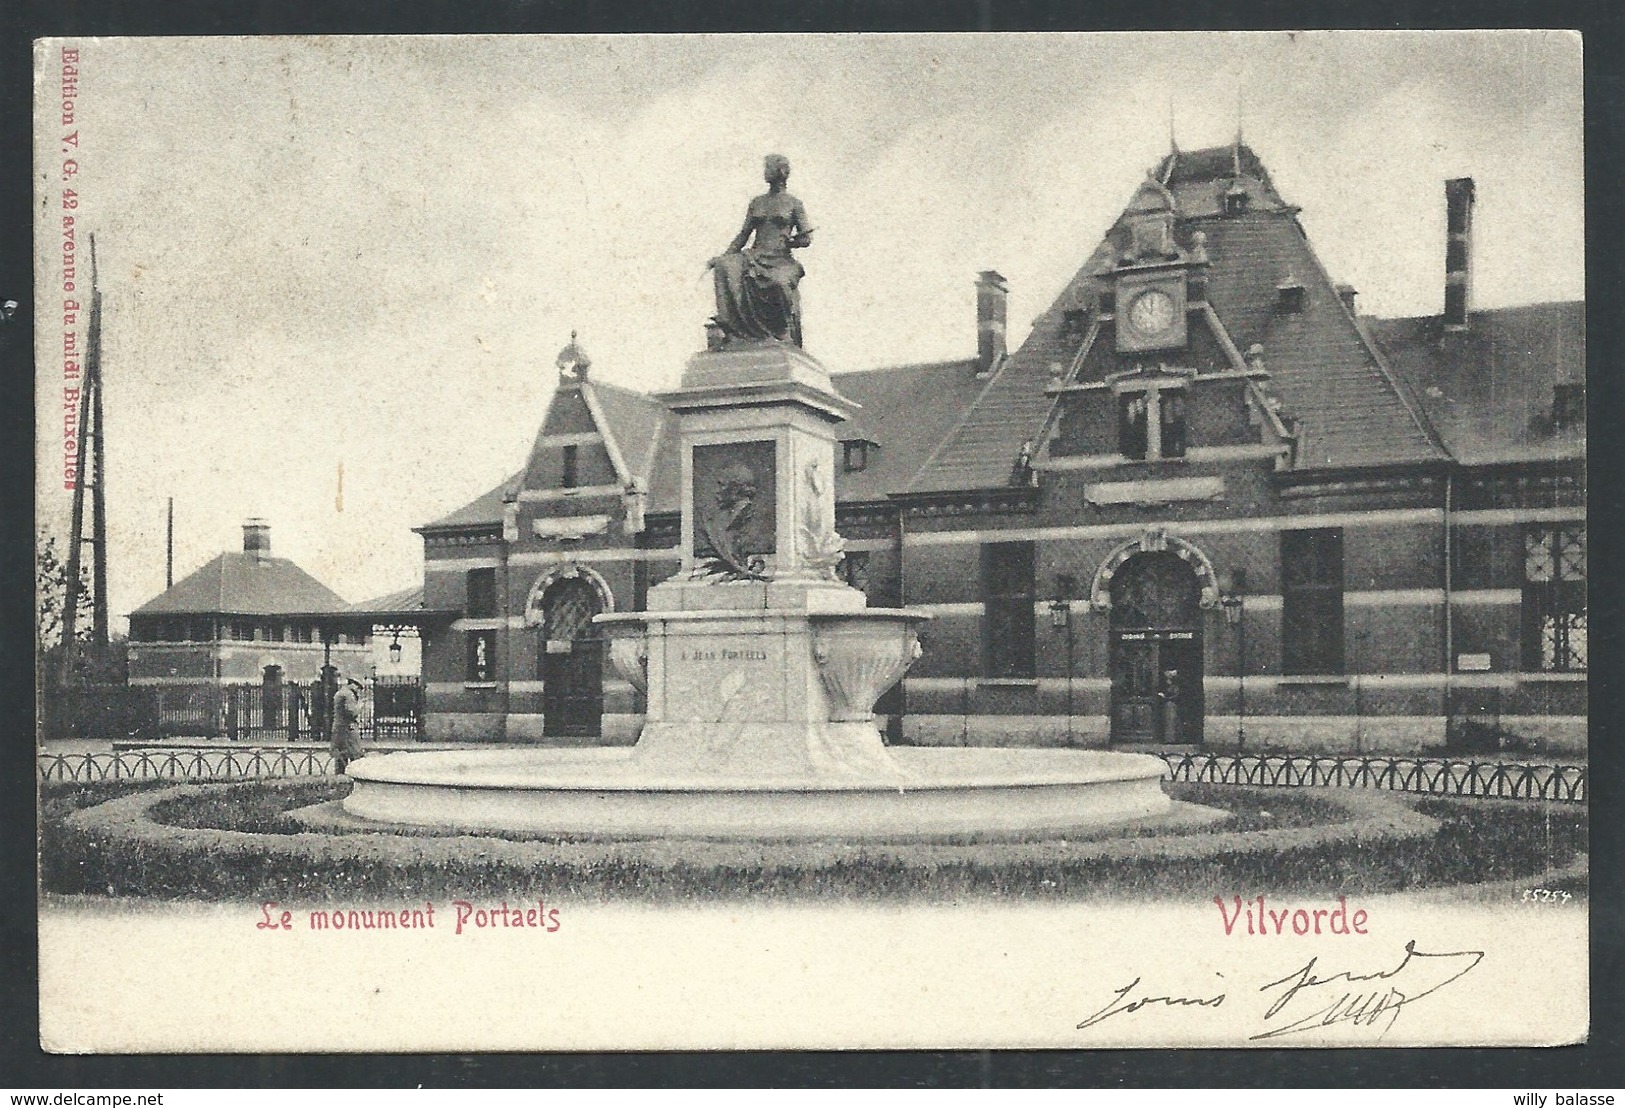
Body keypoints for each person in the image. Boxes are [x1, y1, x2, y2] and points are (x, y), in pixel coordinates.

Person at [708, 154, 813, 346]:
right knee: (724, 266)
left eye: (768, 168)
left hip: (781, 259)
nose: (765, 172)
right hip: (755, 255)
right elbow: (743, 234)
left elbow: (806, 238)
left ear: (780, 172)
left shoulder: (794, 204)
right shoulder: (757, 202)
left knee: (779, 283)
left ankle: (782, 331)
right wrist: (723, 256)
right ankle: (733, 331)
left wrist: (793, 242)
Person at [331, 677, 366, 774]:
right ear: (353, 684)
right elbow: (352, 712)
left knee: (341, 758)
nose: (358, 690)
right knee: (356, 755)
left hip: (339, 729)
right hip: (348, 729)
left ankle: (340, 781)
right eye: (358, 687)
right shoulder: (349, 694)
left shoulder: (340, 692)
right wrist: (360, 705)